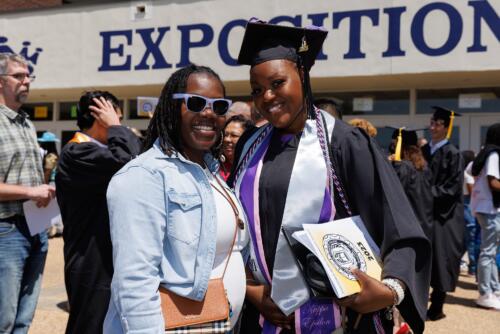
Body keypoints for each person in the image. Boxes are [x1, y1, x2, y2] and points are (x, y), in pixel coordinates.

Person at [229, 19, 431, 334]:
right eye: (257, 90)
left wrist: (392, 289)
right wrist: (253, 291)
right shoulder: (249, 146)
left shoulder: (343, 143)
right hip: (258, 317)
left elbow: (398, 224)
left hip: (335, 320)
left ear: (303, 75)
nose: (266, 97)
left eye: (277, 83)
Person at [103, 65, 249, 333]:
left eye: (218, 106)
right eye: (195, 103)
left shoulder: (212, 173)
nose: (208, 113)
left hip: (217, 324)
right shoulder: (145, 176)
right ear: (171, 108)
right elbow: (134, 281)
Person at [55, 91, 141, 334]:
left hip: (109, 255)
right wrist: (116, 128)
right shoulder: (77, 153)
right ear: (99, 117)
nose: (120, 125)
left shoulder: (99, 150)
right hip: (91, 259)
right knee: (90, 325)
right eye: (115, 118)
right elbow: (128, 161)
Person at [0, 53, 55, 333]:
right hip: (6, 231)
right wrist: (30, 191)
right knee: (4, 319)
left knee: (23, 320)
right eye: (18, 76)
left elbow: (29, 176)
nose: (26, 81)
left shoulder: (26, 122)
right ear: (0, 82)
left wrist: (45, 188)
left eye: (28, 75)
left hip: (36, 227)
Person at [421, 106, 464, 321]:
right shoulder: (425, 151)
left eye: (437, 124)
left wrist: (426, 194)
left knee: (441, 259)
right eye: (431, 122)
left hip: (443, 216)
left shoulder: (453, 153)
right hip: (424, 212)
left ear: (447, 128)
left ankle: (436, 307)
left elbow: (453, 188)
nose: (432, 127)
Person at [470, 123, 500, 310]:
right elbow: (494, 182)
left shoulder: (485, 154)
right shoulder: (494, 155)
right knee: (488, 252)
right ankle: (485, 293)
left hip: (484, 207)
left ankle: (494, 289)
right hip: (489, 209)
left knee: (491, 251)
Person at [388, 128, 433, 240]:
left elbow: (395, 196)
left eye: (394, 144)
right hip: (425, 223)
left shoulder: (403, 167)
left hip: (409, 227)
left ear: (400, 146)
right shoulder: (424, 167)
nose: (392, 148)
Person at [462, 150, 480, 276]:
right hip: (468, 203)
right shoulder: (468, 173)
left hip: (467, 203)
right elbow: (472, 190)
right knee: (472, 237)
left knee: (468, 238)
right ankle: (473, 267)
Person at [220, 115, 254, 180]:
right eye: (225, 135)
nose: (227, 139)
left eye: (234, 135)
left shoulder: (255, 167)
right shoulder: (214, 166)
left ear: (248, 138)